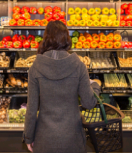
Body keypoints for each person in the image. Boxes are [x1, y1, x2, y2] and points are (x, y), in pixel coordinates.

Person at [23, 20, 101, 153]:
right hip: (73, 139)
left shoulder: (35, 68)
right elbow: (88, 103)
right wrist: (95, 86)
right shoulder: (79, 66)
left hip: (44, 140)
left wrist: (29, 137)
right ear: (67, 38)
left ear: (45, 39)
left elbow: (31, 109)